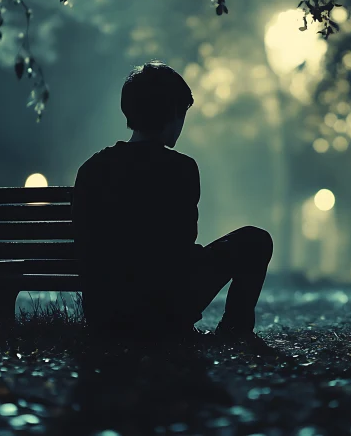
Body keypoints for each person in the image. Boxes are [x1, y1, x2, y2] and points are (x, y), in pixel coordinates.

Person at [72, 61, 273, 347]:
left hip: (106, 314)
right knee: (255, 240)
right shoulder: (181, 169)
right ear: (174, 114)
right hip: (165, 312)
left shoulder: (92, 168)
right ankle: (235, 330)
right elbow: (178, 247)